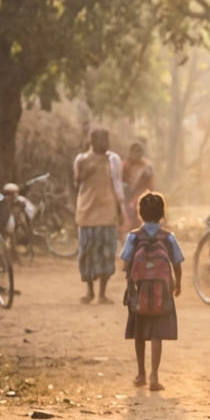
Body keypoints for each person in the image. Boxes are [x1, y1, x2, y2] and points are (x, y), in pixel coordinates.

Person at [121, 191, 182, 392]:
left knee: (140, 331)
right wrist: (177, 283)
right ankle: (155, 376)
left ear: (140, 213)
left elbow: (127, 261)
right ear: (162, 213)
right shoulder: (168, 237)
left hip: (139, 290)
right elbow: (177, 262)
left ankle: (141, 374)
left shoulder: (133, 237)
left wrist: (130, 284)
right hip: (161, 290)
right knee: (157, 332)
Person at [74, 128, 124, 305]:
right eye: (101, 140)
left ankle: (102, 293)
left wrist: (121, 209)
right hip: (87, 211)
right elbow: (77, 180)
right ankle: (90, 291)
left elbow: (118, 185)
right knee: (86, 252)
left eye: (106, 140)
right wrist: (91, 168)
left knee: (107, 252)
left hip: (108, 210)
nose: (105, 144)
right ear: (92, 142)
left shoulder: (113, 160)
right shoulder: (81, 159)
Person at [121, 142, 155, 233]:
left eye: (139, 151)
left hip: (141, 195)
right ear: (130, 152)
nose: (137, 154)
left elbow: (150, 185)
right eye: (134, 151)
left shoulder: (146, 166)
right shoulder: (124, 165)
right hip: (125, 196)